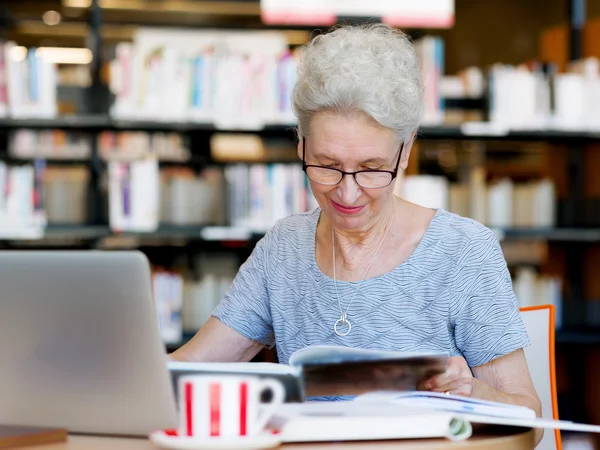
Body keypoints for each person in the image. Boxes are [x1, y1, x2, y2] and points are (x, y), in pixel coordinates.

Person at [170, 23, 542, 445]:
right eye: (326, 165)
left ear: (406, 151)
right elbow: (187, 369)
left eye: (370, 168)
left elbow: (529, 424)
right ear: (301, 145)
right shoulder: (284, 247)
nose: (347, 192)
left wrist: (473, 394)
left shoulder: (463, 251)